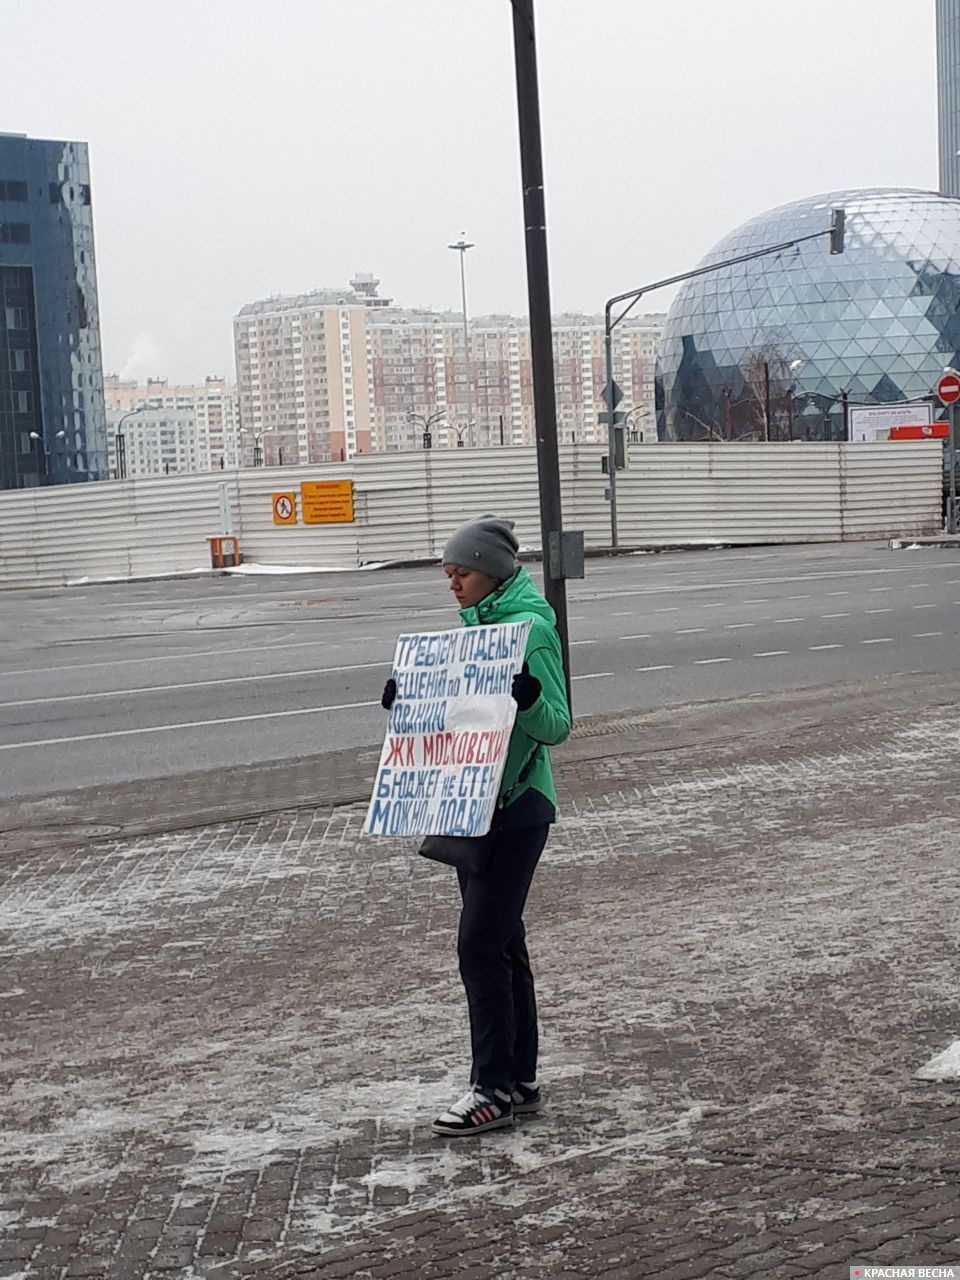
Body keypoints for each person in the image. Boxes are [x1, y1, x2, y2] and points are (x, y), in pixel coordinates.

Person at [381, 515, 571, 1137]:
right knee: (504, 944)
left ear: (491, 571)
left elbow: (557, 727)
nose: (451, 582)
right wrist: (410, 701)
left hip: (515, 809)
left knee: (479, 946)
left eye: (460, 571)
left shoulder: (531, 629)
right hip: (470, 807)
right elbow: (461, 718)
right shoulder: (474, 628)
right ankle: (519, 1079)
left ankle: (490, 1087)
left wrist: (527, 697)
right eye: (447, 572)